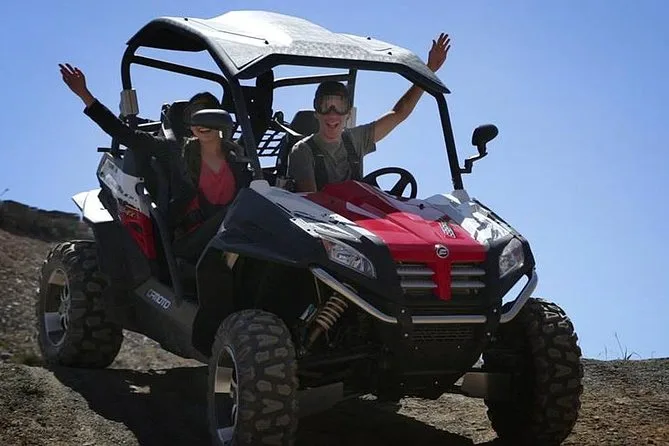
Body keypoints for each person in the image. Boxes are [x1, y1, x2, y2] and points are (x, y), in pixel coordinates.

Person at [59, 63, 251, 260]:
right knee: (237, 216)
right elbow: (126, 135)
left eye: (209, 114)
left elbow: (258, 122)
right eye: (197, 115)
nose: (204, 121)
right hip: (192, 240)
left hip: (233, 235)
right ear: (189, 124)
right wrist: (85, 95)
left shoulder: (236, 156)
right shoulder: (174, 149)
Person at [287, 33, 451, 193]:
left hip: (356, 209)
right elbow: (309, 200)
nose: (332, 114)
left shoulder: (355, 139)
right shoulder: (302, 151)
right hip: (321, 212)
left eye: (340, 107)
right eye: (325, 106)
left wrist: (429, 70)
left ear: (348, 114)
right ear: (316, 113)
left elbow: (399, 113)